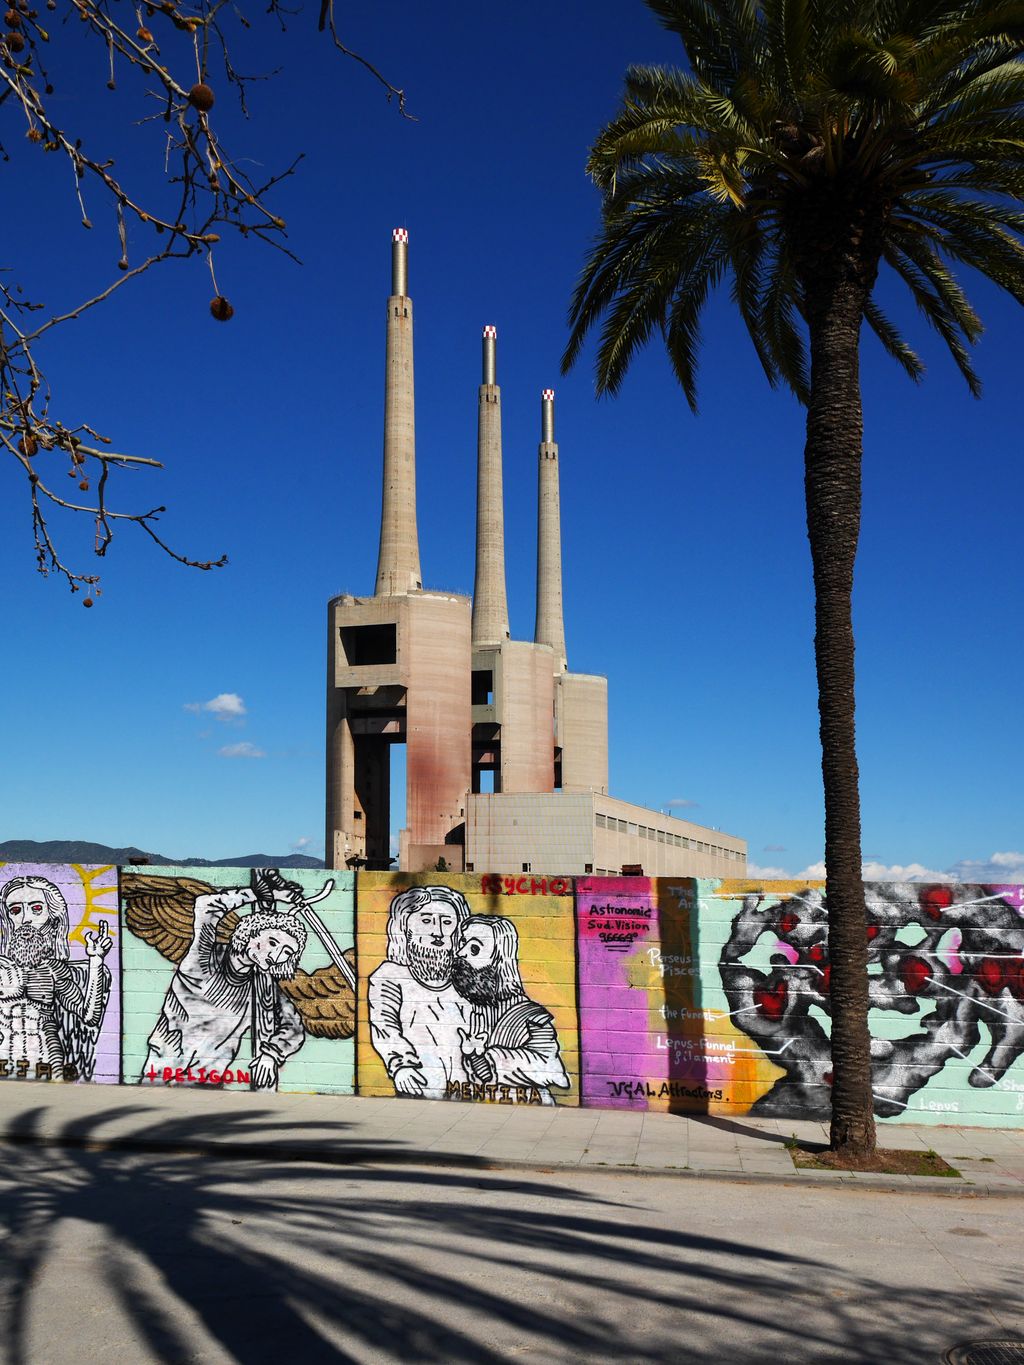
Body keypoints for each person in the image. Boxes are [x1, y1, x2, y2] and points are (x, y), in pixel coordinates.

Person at [141, 878, 308, 1090]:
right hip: (165, 1066)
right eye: (272, 942)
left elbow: (293, 1028)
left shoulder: (263, 986)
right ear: (250, 932)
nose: (276, 956)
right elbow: (206, 906)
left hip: (210, 1077)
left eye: (287, 952)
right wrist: (265, 894)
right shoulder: (203, 962)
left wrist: (271, 1054)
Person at [0, 875, 112, 1080]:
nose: (26, 919)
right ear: (8, 919)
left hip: (48, 1058)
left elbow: (89, 1016)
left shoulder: (53, 969)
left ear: (52, 917)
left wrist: (96, 961)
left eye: (36, 909)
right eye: (15, 910)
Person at [452, 914, 570, 1105]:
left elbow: (552, 1070)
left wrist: (490, 1055)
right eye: (463, 943)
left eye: (474, 948)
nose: (461, 953)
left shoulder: (531, 1017)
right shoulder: (473, 1010)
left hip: (531, 1109)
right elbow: (485, 1074)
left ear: (499, 960)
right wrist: (474, 1055)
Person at [367, 885, 471, 1099]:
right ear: (405, 927)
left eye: (447, 922)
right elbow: (385, 1027)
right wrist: (401, 1065)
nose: (438, 932)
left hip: (467, 1084)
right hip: (417, 1082)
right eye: (426, 920)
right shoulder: (390, 975)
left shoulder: (466, 976)